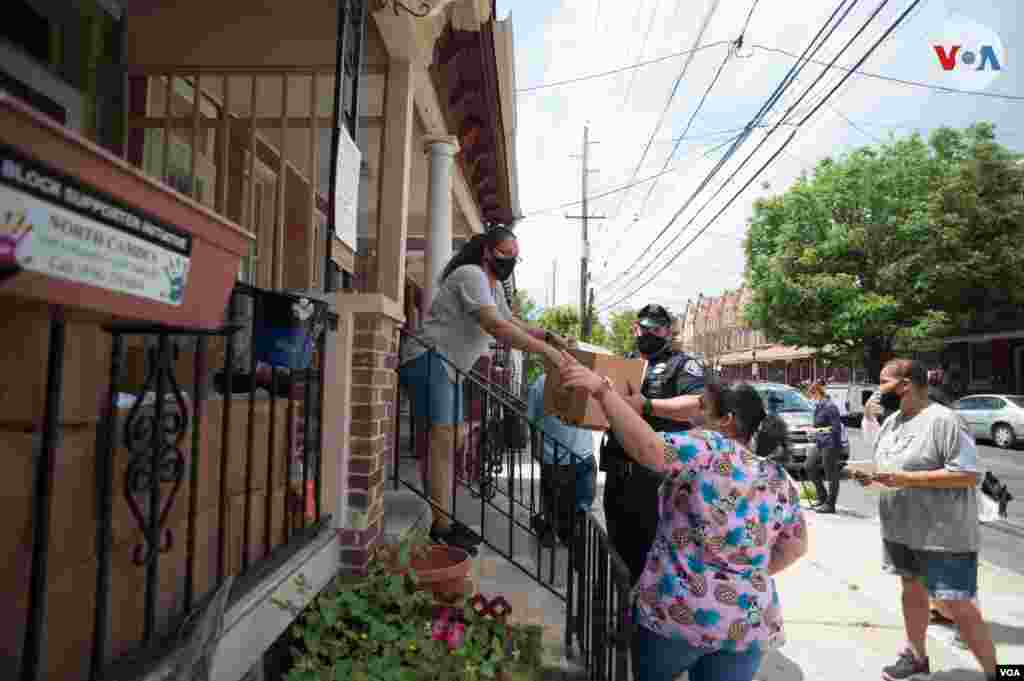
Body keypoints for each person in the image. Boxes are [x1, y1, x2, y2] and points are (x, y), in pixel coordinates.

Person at [559, 356, 808, 681]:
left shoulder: (708, 447)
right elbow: (795, 547)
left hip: (678, 614)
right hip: (747, 623)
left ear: (727, 421)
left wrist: (603, 392)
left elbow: (648, 447)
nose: (695, 415)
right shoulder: (777, 477)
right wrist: (739, 576)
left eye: (703, 408)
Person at [397, 227, 572, 554]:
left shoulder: (492, 286)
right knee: (444, 438)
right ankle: (442, 524)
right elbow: (496, 326)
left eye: (516, 256)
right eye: (506, 254)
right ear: (487, 251)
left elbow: (513, 322)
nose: (511, 261)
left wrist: (548, 336)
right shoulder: (470, 275)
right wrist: (544, 352)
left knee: (453, 438)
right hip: (428, 357)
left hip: (449, 367)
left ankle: (441, 515)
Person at [856, 359, 999, 681]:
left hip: (943, 535)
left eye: (883, 382)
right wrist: (873, 478)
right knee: (911, 590)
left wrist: (906, 478)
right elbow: (890, 468)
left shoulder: (944, 421)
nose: (878, 389)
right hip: (901, 529)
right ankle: (916, 655)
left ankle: (1001, 673)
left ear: (905, 384)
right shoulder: (892, 421)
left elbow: (967, 473)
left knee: (957, 605)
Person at [599, 303, 706, 583]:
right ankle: (620, 617)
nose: (647, 333)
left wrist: (648, 405)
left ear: (668, 332)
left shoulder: (682, 365)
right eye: (642, 327)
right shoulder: (624, 363)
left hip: (658, 480)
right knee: (619, 556)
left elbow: (696, 405)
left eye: (655, 328)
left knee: (654, 559)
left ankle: (647, 619)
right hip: (619, 476)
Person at [525, 371, 597, 547]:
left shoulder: (586, 379)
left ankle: (568, 532)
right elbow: (532, 420)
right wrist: (537, 447)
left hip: (580, 455)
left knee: (577, 501)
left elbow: (531, 420)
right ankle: (557, 530)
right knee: (558, 499)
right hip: (558, 455)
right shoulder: (542, 382)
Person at [806, 380, 844, 513]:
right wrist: (812, 433)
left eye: (811, 395)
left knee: (831, 473)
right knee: (809, 466)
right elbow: (818, 425)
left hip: (831, 444)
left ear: (817, 393)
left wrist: (817, 431)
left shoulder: (830, 406)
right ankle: (822, 497)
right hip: (820, 442)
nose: (811, 399)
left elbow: (836, 428)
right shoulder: (819, 407)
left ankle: (830, 504)